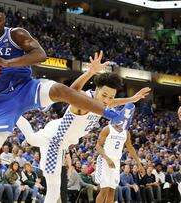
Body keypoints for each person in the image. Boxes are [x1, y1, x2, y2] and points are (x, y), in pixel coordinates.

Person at [0, 4, 128, 202]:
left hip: (26, 87)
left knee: (60, 90)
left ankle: (111, 114)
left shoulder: (16, 34)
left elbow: (40, 55)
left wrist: (8, 62)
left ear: (4, 19)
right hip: (2, 100)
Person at [15, 54, 150, 202]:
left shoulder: (102, 103)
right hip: (54, 140)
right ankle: (11, 112)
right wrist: (90, 72)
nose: (107, 100)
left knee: (32, 139)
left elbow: (113, 103)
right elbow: (70, 91)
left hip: (59, 138)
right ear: (96, 89)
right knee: (54, 188)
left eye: (110, 97)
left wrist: (132, 99)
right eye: (104, 95)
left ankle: (13, 114)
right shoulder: (83, 101)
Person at [95, 103, 144, 203]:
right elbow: (98, 146)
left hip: (116, 162)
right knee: (104, 190)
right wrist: (107, 159)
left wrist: (139, 164)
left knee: (112, 190)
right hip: (105, 161)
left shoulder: (126, 132)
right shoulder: (107, 129)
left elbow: (130, 148)